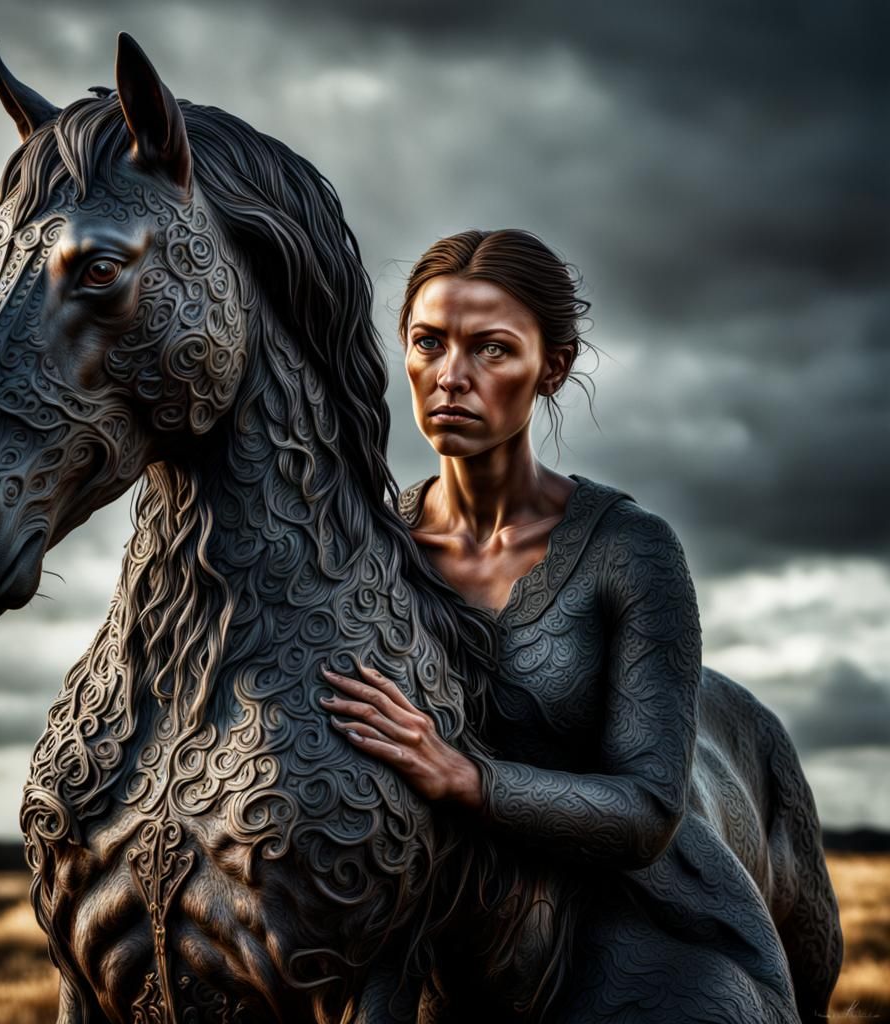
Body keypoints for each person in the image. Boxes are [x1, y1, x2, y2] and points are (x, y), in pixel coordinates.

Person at [318, 229, 828, 1022]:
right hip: (412, 927)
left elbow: (650, 811)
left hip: (630, 919)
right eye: (428, 343)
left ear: (551, 366)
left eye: (491, 349)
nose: (450, 378)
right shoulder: (362, 550)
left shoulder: (633, 551)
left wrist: (465, 778)